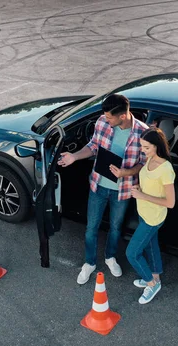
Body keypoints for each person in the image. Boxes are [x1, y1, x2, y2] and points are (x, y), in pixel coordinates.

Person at [57, 94, 148, 284]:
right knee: (91, 228)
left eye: (109, 117)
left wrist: (127, 172)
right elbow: (93, 146)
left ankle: (110, 257)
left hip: (122, 191)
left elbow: (144, 163)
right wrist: (74, 156)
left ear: (122, 116)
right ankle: (89, 263)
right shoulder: (102, 122)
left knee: (115, 228)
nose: (105, 119)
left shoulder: (142, 132)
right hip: (98, 186)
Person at [126, 127, 176, 304]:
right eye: (142, 146)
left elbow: (170, 203)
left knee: (132, 253)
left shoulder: (166, 169)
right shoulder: (149, 160)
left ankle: (151, 283)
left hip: (153, 218)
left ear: (157, 146)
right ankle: (156, 277)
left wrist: (142, 196)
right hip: (144, 212)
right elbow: (149, 183)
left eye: (146, 147)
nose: (143, 150)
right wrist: (140, 188)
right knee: (150, 245)